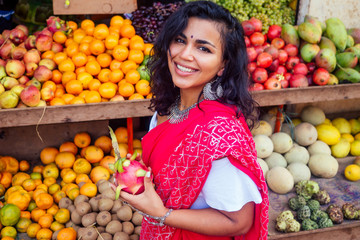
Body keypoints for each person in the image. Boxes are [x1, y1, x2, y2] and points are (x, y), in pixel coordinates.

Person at [119, 1, 269, 239]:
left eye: (204, 49)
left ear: (223, 65)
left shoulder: (218, 133)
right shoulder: (169, 106)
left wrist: (161, 213)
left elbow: (238, 221)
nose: (184, 54)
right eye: (180, 40)